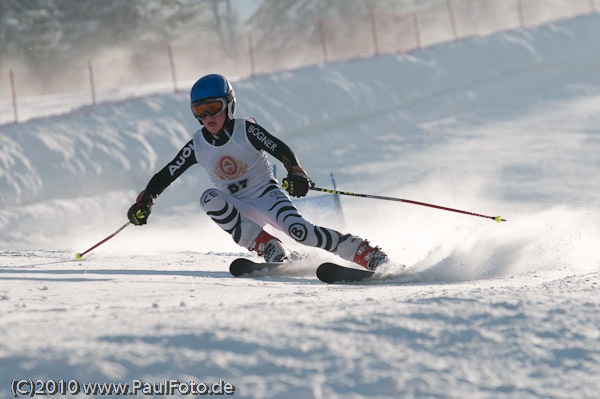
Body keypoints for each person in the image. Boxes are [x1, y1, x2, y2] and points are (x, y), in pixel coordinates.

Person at [127, 74, 387, 270]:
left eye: (213, 108)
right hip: (237, 205)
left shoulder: (246, 130)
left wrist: (295, 171)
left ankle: (364, 252)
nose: (207, 116)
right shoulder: (198, 144)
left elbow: (280, 148)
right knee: (209, 199)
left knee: (301, 232)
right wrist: (146, 200)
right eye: (199, 110)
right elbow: (166, 174)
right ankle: (268, 246)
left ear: (228, 105)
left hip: (266, 194)